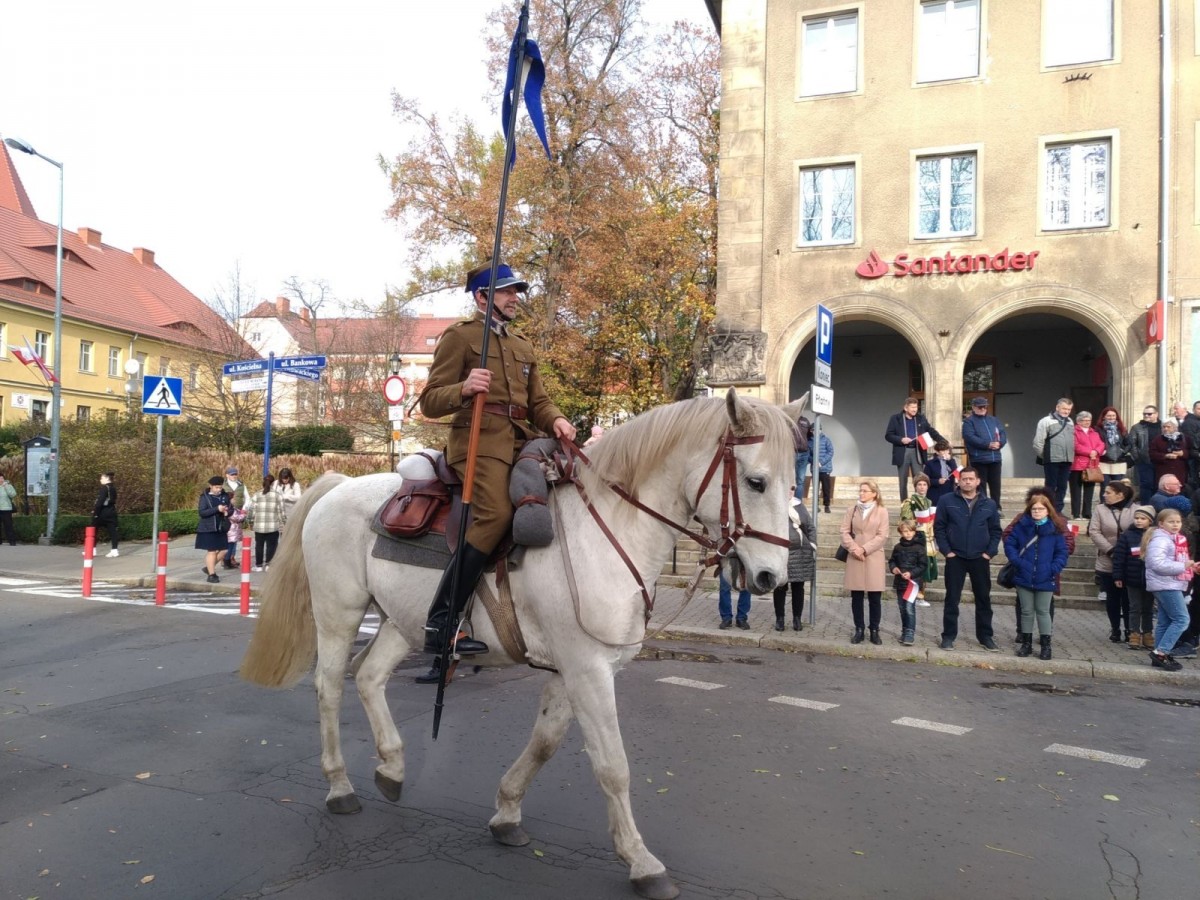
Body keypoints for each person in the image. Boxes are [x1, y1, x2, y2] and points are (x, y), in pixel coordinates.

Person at [417, 261, 576, 656]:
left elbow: (537, 400)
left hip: (522, 441)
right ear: (482, 297)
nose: (514, 299)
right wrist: (465, 387)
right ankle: (442, 620)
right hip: (478, 442)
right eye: (506, 292)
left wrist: (556, 419)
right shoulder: (461, 338)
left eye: (516, 292)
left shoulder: (522, 345)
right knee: (496, 514)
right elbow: (430, 401)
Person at [933, 467, 1002, 651]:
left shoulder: (989, 503)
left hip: (980, 558)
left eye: (971, 479)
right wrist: (947, 551)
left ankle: (985, 637)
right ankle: (948, 637)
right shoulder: (946, 500)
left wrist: (989, 552)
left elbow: (996, 530)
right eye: (964, 479)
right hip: (955, 557)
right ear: (958, 481)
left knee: (983, 599)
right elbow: (939, 528)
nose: (967, 482)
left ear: (978, 481)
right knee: (952, 599)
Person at [1001, 487, 1077, 640]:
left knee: (1046, 605)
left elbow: (1067, 543)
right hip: (1025, 569)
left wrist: (1052, 563)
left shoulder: (1059, 521)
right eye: (1033, 502)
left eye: (1041, 503)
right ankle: (1022, 633)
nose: (1037, 508)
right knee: (1024, 605)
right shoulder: (1021, 519)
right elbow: (1008, 536)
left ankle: (1045, 636)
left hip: (1047, 570)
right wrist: (1018, 560)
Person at [1143, 508, 1199, 671]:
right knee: (1182, 619)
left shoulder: (1174, 538)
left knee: (1165, 621)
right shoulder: (1162, 540)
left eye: (1178, 522)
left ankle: (1159, 654)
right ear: (1161, 524)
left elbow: (1173, 561)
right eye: (1171, 522)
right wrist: (1183, 565)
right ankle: (1161, 652)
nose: (1175, 525)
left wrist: (1191, 566)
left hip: (1168, 583)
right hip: (1166, 584)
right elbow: (1157, 564)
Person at [840, 480, 889, 645]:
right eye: (860, 491)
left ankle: (874, 629)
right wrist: (854, 549)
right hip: (855, 556)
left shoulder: (882, 511)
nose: (861, 493)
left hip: (874, 556)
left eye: (865, 491)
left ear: (874, 493)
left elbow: (882, 536)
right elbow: (844, 532)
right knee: (857, 596)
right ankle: (859, 629)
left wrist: (865, 549)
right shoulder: (851, 510)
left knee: (875, 597)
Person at [1087, 481, 1136, 643]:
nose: (1104, 495)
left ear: (1120, 495)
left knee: (1128, 599)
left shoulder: (1134, 509)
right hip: (1107, 560)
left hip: (1129, 562)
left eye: (1108, 492)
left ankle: (1131, 629)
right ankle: (1115, 629)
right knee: (1112, 598)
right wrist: (1110, 550)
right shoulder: (1100, 509)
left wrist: (1125, 552)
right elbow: (1094, 531)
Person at [885, 398, 945, 501]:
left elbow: (931, 431)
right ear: (905, 407)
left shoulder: (921, 418)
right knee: (902, 481)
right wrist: (901, 439)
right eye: (912, 407)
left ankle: (920, 504)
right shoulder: (896, 418)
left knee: (919, 479)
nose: (914, 409)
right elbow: (888, 435)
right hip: (903, 451)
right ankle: (904, 506)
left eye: (916, 407)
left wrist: (943, 441)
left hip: (917, 451)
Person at [1113, 505, 1155, 650]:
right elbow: (1119, 557)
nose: (1138, 521)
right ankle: (1134, 633)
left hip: (1150, 578)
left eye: (1142, 518)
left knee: (1148, 608)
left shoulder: (1155, 535)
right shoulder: (1127, 535)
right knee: (1134, 607)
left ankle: (1148, 633)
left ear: (1150, 520)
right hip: (1132, 578)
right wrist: (1118, 575)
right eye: (1136, 518)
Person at [773, 497, 815, 631]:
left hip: (800, 553)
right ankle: (780, 619)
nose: (788, 491)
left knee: (798, 587)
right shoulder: (775, 504)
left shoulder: (799, 506)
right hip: (781, 552)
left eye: (792, 488)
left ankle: (797, 618)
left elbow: (810, 527)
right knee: (780, 586)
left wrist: (813, 544)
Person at [961, 397, 1006, 506]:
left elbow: (1002, 433)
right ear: (973, 407)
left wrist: (1000, 443)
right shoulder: (968, 422)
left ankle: (996, 508)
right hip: (979, 459)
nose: (983, 409)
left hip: (995, 458)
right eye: (980, 407)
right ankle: (983, 507)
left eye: (985, 406)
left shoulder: (994, 420)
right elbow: (970, 437)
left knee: (996, 485)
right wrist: (987, 444)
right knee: (980, 486)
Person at [1033, 398, 1075, 514]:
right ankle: (1048, 510)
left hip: (1067, 460)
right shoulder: (1045, 421)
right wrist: (1045, 456)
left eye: (1069, 409)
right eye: (1064, 408)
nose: (1066, 411)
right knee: (1050, 487)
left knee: (1062, 487)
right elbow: (1038, 442)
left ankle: (1058, 511)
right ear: (1057, 407)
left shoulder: (1070, 422)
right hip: (1051, 460)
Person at [900, 473, 936, 605]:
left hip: (927, 538)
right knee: (916, 567)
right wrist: (916, 523)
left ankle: (922, 593)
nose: (922, 487)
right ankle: (914, 595)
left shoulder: (929, 502)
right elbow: (905, 521)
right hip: (915, 538)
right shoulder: (910, 502)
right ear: (915, 487)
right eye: (919, 484)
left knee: (925, 567)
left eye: (924, 484)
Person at [888, 520, 926, 645]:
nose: (908, 534)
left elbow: (923, 565)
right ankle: (904, 630)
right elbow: (892, 560)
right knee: (902, 607)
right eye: (905, 531)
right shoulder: (898, 547)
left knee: (909, 607)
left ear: (914, 531)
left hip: (912, 583)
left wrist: (911, 573)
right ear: (901, 532)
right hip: (900, 581)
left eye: (910, 531)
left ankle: (910, 633)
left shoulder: (920, 548)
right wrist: (894, 568)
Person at [1068, 411, 1105, 519]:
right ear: (1078, 421)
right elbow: (1075, 445)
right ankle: (1075, 513)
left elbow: (1101, 444)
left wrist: (1096, 451)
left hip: (1092, 465)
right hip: (1077, 465)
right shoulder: (1073, 432)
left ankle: (1087, 512)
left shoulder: (1094, 432)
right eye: (1084, 420)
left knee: (1089, 490)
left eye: (1089, 420)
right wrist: (1089, 452)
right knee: (1076, 491)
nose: (1087, 422)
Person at [195, 476, 231, 584]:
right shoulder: (205, 497)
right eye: (216, 487)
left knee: (224, 550)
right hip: (208, 527)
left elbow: (231, 508)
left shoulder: (224, 496)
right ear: (210, 486)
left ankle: (209, 567)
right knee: (211, 551)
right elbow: (202, 512)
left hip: (221, 527)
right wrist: (217, 509)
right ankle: (212, 574)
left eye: (220, 487)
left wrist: (227, 512)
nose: (218, 490)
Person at [246, 474, 284, 572]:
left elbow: (251, 509)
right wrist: (284, 523)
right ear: (273, 483)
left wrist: (250, 521)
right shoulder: (277, 495)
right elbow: (281, 512)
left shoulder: (257, 494)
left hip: (259, 526)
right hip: (273, 526)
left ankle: (258, 565)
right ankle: (268, 565)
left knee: (259, 545)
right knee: (271, 546)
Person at [1127, 405, 1161, 502]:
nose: (1146, 416)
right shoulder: (1137, 427)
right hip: (1144, 461)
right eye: (1144, 414)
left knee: (1158, 484)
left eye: (1149, 414)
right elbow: (1132, 444)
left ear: (1156, 414)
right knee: (1146, 484)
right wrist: (1137, 458)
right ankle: (1145, 506)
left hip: (1160, 461)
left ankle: (1156, 506)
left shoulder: (1163, 426)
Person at [1149, 418, 1191, 487]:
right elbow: (1152, 454)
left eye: (1168, 427)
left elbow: (1191, 452)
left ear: (1175, 427)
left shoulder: (1185, 438)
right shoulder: (1157, 439)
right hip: (1163, 471)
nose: (1165, 429)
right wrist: (1165, 456)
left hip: (1180, 471)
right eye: (1164, 427)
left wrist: (1183, 453)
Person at [802, 425, 834, 514]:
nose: (815, 432)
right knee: (815, 488)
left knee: (826, 488)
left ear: (820, 430)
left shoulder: (826, 440)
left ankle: (827, 505)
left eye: (817, 429)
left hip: (825, 468)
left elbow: (830, 452)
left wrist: (822, 462)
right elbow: (808, 455)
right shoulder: (809, 442)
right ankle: (816, 506)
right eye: (813, 430)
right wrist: (814, 462)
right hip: (815, 469)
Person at [1095, 406, 1130, 486]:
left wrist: (1123, 451)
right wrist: (1102, 451)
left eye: (1113, 415)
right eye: (1109, 415)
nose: (1111, 417)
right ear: (1104, 417)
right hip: (1104, 461)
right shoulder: (1098, 429)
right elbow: (1096, 443)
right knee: (1104, 487)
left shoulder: (1122, 429)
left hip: (1119, 462)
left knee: (1117, 487)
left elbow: (1128, 443)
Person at [222, 466, 247, 569]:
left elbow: (247, 497)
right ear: (227, 475)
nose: (234, 476)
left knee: (235, 537)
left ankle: (231, 558)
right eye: (232, 474)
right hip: (226, 514)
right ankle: (225, 558)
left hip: (237, 512)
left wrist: (244, 509)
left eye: (235, 474)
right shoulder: (222, 485)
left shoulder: (241, 485)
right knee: (227, 539)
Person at [923, 440, 960, 506]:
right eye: (943, 451)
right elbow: (925, 480)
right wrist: (937, 481)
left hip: (949, 490)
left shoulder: (952, 461)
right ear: (937, 452)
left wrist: (950, 461)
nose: (945, 453)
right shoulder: (930, 464)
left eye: (947, 450)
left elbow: (956, 474)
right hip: (935, 492)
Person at [91, 472, 120, 557]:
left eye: (102, 478)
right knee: (113, 531)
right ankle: (114, 550)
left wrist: (95, 512)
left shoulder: (104, 488)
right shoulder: (113, 488)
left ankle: (92, 549)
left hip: (102, 512)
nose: (100, 480)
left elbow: (100, 501)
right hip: (111, 511)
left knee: (93, 529)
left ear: (107, 478)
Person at [1182, 400, 1200, 488]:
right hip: (1193, 457)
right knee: (1194, 482)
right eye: (1199, 409)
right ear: (1193, 410)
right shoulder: (1190, 422)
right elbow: (1191, 440)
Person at [0, 474, 17, 546]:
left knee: (8, 526)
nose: (0, 479)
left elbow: (13, 494)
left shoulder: (9, 486)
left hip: (6, 509)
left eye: (1, 478)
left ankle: (12, 541)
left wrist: (6, 486)